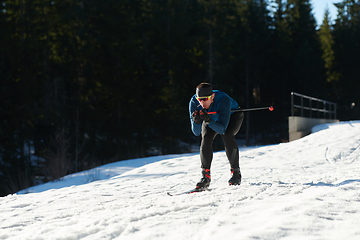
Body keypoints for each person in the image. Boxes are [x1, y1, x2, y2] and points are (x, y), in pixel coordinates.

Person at [189, 83, 244, 189]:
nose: (202, 102)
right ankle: (205, 177)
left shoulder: (223, 99)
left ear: (212, 96)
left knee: (227, 135)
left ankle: (236, 173)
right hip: (210, 117)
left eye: (205, 99)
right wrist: (196, 121)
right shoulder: (193, 102)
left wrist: (208, 120)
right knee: (206, 138)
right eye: (199, 99)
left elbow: (222, 129)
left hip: (233, 115)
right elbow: (196, 133)